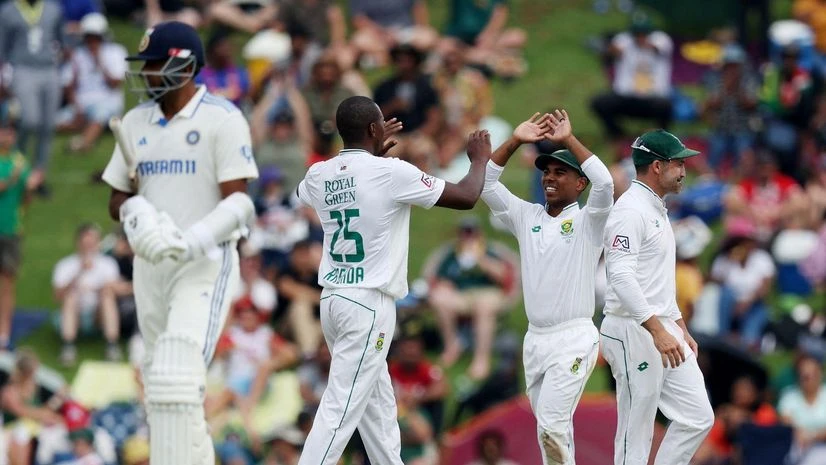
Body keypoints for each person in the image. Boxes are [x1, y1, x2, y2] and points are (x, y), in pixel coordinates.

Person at [294, 95, 491, 465]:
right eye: (381, 123)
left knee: (379, 410)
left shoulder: (318, 173)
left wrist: (370, 157)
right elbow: (466, 196)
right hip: (368, 303)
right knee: (339, 409)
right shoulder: (391, 172)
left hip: (334, 300)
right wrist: (479, 159)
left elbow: (319, 191)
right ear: (374, 130)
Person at [100, 21, 259, 465]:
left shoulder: (222, 119)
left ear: (184, 66)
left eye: (152, 64)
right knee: (159, 382)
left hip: (204, 262)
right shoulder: (135, 122)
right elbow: (118, 198)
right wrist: (138, 214)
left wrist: (191, 242)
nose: (145, 73)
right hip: (150, 264)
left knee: (178, 373)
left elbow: (239, 203)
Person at [480, 110, 613, 464]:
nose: (549, 179)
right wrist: (515, 141)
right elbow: (486, 185)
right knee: (552, 433)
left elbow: (606, 185)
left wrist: (568, 139)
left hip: (573, 337)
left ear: (580, 184)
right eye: (547, 173)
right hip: (535, 339)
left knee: (551, 427)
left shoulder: (589, 221)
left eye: (561, 172)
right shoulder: (527, 217)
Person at [600, 129, 715, 465]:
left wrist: (678, 326)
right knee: (636, 428)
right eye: (678, 163)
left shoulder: (656, 208)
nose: (684, 170)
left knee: (697, 416)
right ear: (657, 166)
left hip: (662, 326)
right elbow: (620, 276)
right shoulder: (630, 211)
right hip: (632, 328)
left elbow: (656, 280)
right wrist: (657, 329)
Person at [0, 0, 65, 194]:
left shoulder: (53, 8)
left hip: (48, 68)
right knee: (29, 120)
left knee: (47, 125)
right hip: (22, 68)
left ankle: (39, 176)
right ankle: (18, 169)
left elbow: (61, 40)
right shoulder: (8, 10)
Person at [0, 102, 32, 351]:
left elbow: (25, 199)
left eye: (10, 131)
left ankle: (4, 333)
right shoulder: (17, 167)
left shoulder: (21, 162)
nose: (7, 135)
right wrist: (13, 178)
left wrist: (30, 187)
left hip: (11, 229)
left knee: (8, 283)